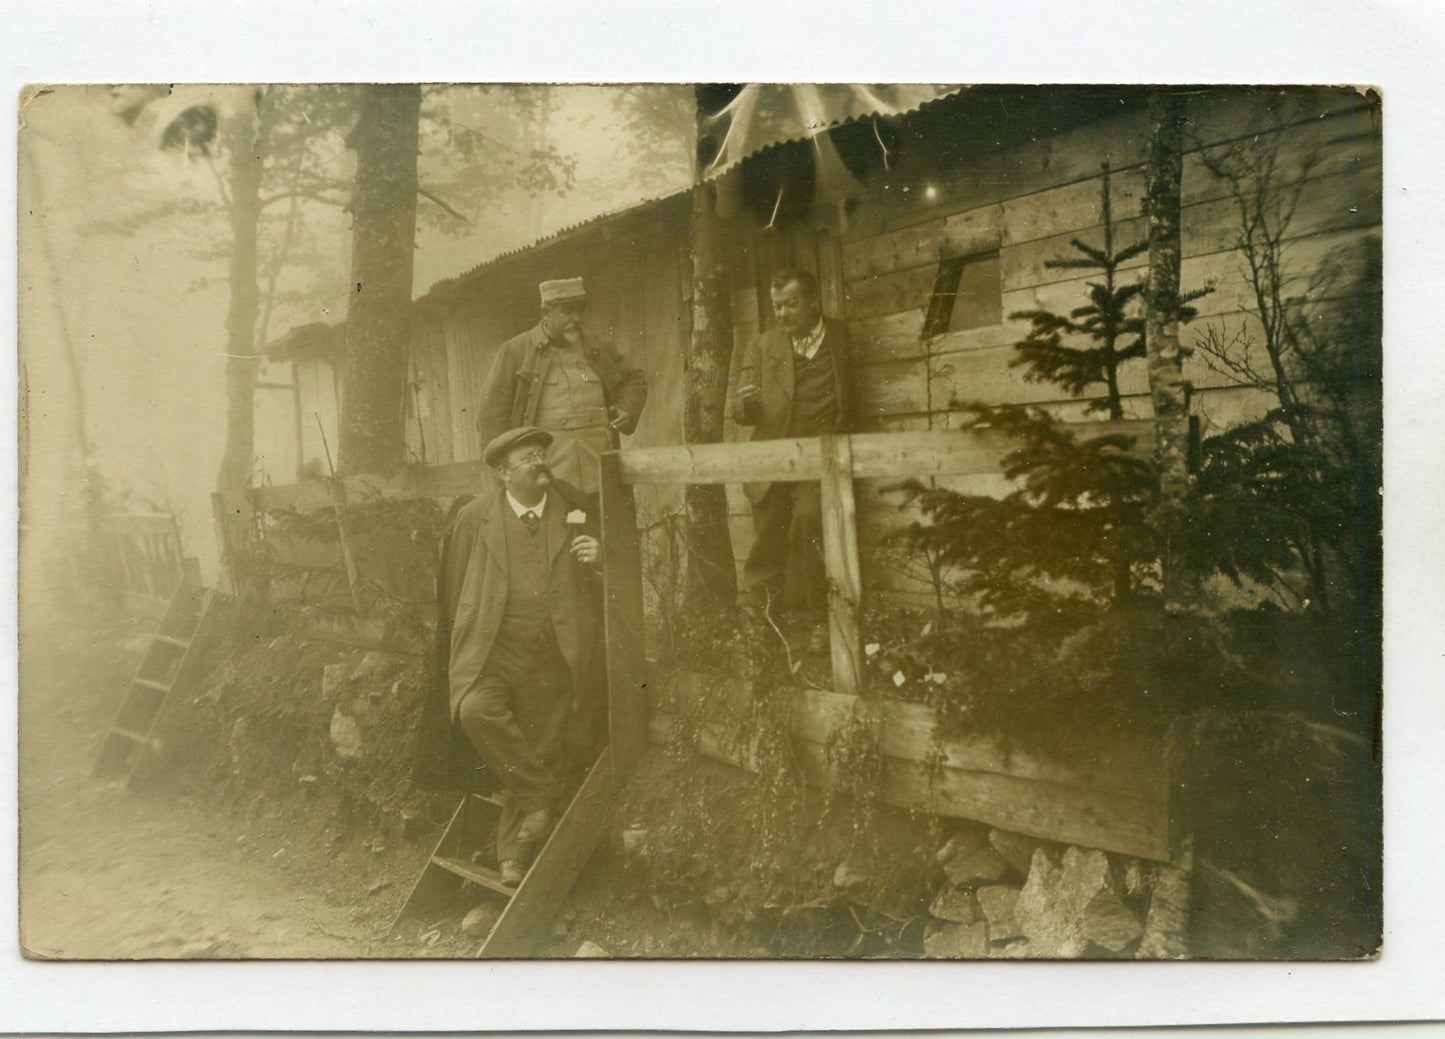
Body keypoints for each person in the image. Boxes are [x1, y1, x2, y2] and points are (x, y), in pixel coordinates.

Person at [442, 426, 603, 887]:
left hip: (555, 656)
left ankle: (512, 857)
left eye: (542, 455)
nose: (539, 463)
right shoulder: (475, 518)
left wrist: (600, 553)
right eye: (528, 458)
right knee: (475, 710)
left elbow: (609, 570)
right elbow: (456, 591)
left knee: (535, 746)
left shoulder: (572, 506)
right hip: (494, 652)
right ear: (502, 472)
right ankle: (540, 797)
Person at [729, 269, 853, 629]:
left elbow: (851, 397)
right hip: (773, 458)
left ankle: (807, 622)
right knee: (768, 536)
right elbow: (739, 411)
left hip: (820, 460)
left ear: (813, 301)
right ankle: (761, 628)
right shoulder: (763, 346)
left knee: (809, 520)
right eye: (776, 306)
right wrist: (748, 403)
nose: (782, 314)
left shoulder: (839, 338)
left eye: (790, 304)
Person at [476, 277, 648, 499]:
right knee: (557, 527)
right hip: (547, 471)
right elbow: (491, 417)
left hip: (599, 466)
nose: (576, 318)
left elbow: (634, 379)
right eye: (568, 311)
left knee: (602, 525)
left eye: (579, 310)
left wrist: (626, 408)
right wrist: (505, 478)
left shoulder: (597, 346)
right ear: (546, 313)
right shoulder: (516, 351)